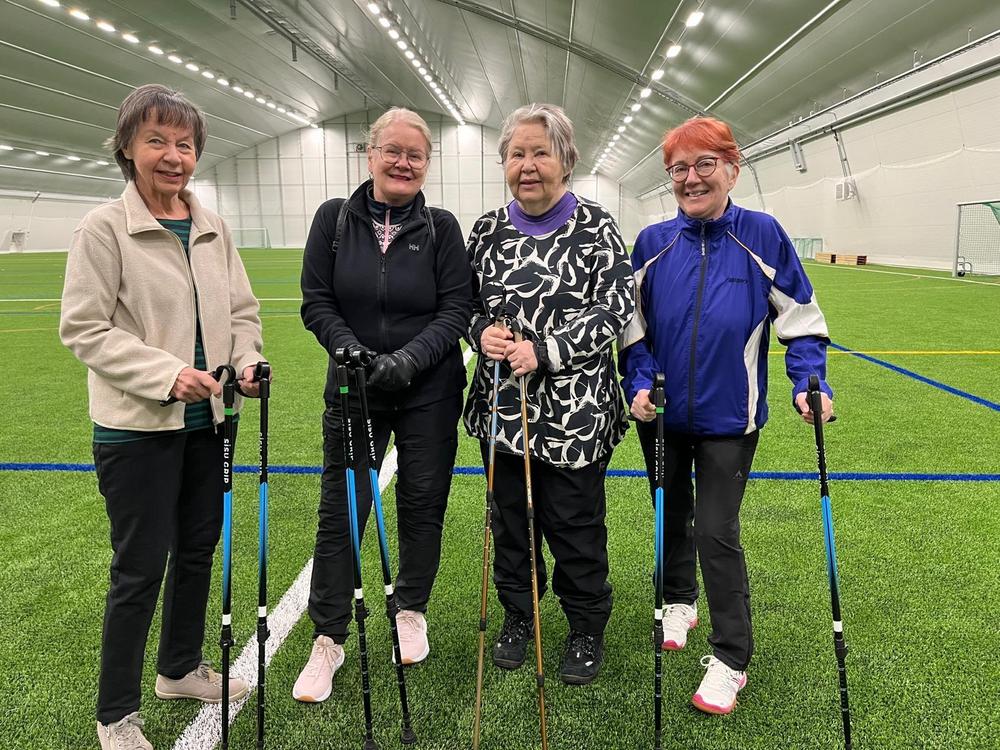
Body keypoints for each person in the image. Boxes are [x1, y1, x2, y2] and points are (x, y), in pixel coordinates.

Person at [59, 84, 265, 750]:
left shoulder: (212, 226)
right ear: (127, 147)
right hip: (136, 430)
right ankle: (115, 715)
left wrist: (248, 361)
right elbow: (84, 328)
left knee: (197, 551)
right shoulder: (103, 228)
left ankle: (179, 669)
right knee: (140, 568)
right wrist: (166, 375)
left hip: (209, 423)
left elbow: (241, 312)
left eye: (185, 144)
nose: (173, 156)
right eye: (156, 141)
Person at [619, 115, 834, 715]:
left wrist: (809, 383)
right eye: (678, 169)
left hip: (730, 420)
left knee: (716, 530)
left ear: (733, 170)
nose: (690, 179)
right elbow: (633, 331)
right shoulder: (651, 242)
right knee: (670, 513)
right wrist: (639, 381)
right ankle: (678, 598)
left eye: (704, 165)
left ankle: (731, 657)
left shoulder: (762, 234)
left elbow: (801, 320)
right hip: (661, 416)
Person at [296, 107, 472, 702]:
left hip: (429, 392)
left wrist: (410, 359)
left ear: (427, 164)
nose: (402, 162)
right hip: (354, 391)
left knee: (423, 505)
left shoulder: (442, 227)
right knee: (342, 511)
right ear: (369, 155)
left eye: (414, 155)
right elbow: (317, 300)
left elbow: (456, 308)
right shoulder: (333, 219)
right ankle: (329, 637)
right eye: (391, 151)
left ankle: (411, 609)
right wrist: (349, 349)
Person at [464, 103, 635, 685]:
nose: (528, 165)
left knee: (574, 526)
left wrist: (548, 350)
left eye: (541, 152)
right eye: (517, 154)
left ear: (566, 160)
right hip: (502, 411)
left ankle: (586, 625)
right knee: (510, 524)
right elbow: (463, 305)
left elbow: (616, 307)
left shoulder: (596, 226)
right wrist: (479, 332)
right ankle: (520, 614)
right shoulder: (487, 230)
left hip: (575, 414)